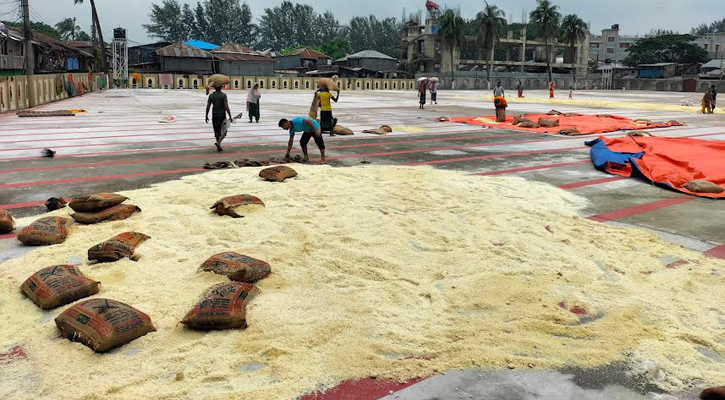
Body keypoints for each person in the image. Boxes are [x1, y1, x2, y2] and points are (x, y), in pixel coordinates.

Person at [205, 84, 233, 152]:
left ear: (214, 88)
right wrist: (230, 115)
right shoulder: (223, 95)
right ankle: (218, 143)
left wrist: (206, 115)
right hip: (222, 115)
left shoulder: (211, 96)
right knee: (224, 131)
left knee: (217, 131)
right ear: (221, 87)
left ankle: (218, 146)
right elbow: (226, 106)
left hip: (214, 115)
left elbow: (208, 106)